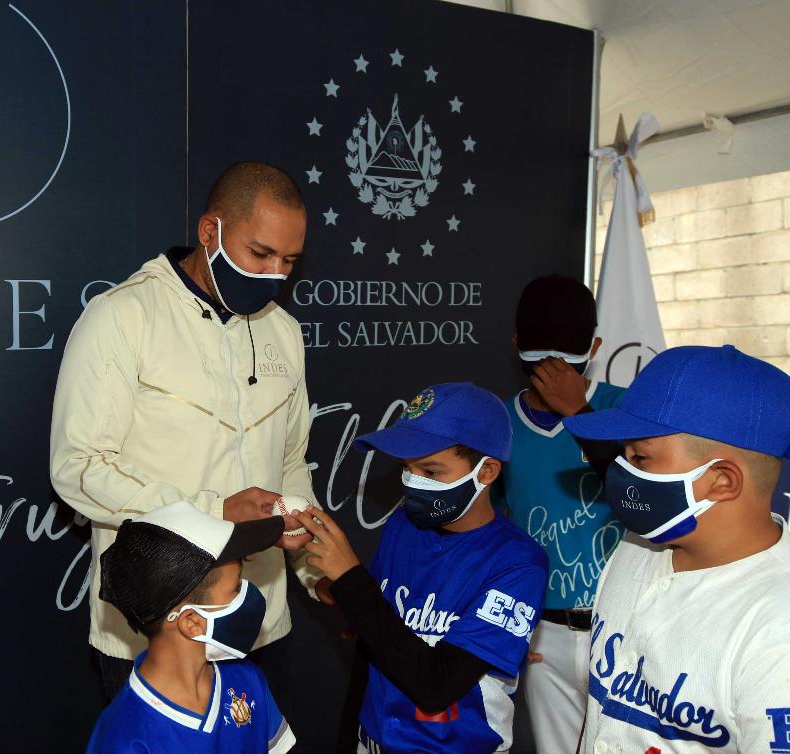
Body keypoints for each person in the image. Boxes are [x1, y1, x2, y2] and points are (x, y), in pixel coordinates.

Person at [50, 161, 316, 699]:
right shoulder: (123, 316)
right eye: (260, 253)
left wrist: (313, 566)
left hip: (258, 622)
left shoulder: (285, 332)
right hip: (153, 632)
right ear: (210, 231)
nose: (275, 275)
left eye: (289, 261)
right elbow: (78, 468)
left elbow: (289, 462)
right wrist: (212, 511)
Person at [295, 382, 549, 753]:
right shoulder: (403, 525)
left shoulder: (519, 564)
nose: (412, 482)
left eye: (430, 471)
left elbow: (436, 686)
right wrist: (343, 593)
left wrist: (352, 581)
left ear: (487, 472)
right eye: (406, 468)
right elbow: (378, 634)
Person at [562, 344, 790, 754]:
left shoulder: (778, 631)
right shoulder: (637, 545)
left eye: (639, 457)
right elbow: (600, 713)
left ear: (721, 481)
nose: (620, 469)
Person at [498, 274, 625, 754]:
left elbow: (643, 499)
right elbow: (487, 531)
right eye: (540, 354)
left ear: (595, 348)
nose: (553, 367)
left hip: (621, 627)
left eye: (566, 356)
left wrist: (580, 412)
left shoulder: (625, 408)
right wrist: (507, 624)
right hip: (543, 633)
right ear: (516, 345)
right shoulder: (502, 422)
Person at [87, 501, 296, 754]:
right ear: (192, 622)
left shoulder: (247, 680)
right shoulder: (125, 739)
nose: (248, 593)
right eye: (235, 588)